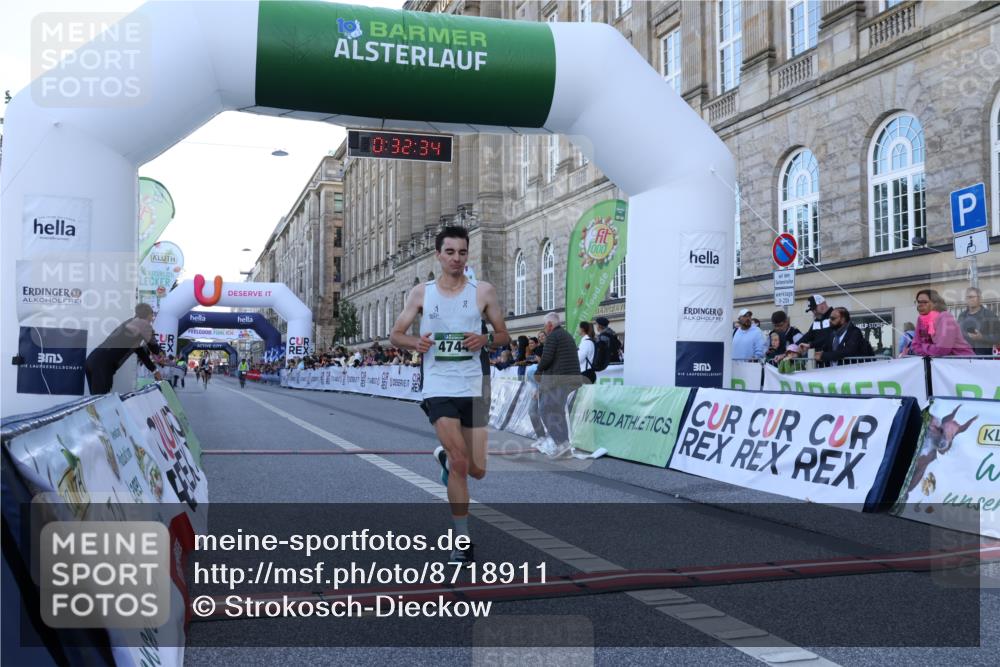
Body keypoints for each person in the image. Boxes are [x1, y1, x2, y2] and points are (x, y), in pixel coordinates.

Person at [389, 225, 510, 567]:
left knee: (477, 469)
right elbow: (396, 335)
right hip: (439, 385)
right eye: (450, 252)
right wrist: (417, 342)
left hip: (473, 384)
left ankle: (445, 457)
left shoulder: (483, 291)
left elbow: (503, 335)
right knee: (461, 463)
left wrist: (485, 340)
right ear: (438, 255)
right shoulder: (421, 294)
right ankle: (462, 540)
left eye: (462, 252)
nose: (456, 259)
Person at [534, 312, 585, 457]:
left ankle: (561, 443)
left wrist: (538, 371)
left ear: (550, 325)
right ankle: (564, 445)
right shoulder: (566, 335)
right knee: (557, 411)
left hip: (558, 379)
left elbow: (547, 358)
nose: (544, 328)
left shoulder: (553, 336)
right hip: (569, 379)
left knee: (545, 409)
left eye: (545, 325)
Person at [85, 303, 163, 394]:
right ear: (148, 315)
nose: (152, 318)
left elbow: (140, 352)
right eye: (152, 315)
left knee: (97, 402)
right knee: (101, 402)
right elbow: (155, 350)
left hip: (93, 360)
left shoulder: (130, 322)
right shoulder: (144, 325)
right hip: (102, 366)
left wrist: (154, 370)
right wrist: (152, 334)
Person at [904, 288, 973, 357]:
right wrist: (929, 349)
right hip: (938, 363)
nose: (920, 305)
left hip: (962, 361)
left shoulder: (945, 317)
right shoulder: (921, 319)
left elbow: (942, 350)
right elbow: (915, 346)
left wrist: (923, 346)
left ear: (935, 303)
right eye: (918, 302)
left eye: (924, 302)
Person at [957, 286, 998, 355]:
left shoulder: (989, 315)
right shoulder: (962, 316)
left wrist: (982, 337)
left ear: (979, 299)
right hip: (964, 357)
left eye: (972, 297)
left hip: (983, 358)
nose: (969, 299)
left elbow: (998, 336)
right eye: (967, 297)